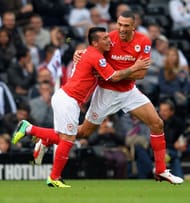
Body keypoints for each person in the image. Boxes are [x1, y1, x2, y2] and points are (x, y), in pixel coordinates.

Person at [12, 27, 150, 188]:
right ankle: (50, 170)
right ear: (95, 42)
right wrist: (135, 66)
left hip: (67, 98)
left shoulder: (89, 53)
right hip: (68, 100)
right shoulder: (95, 56)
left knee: (65, 137)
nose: (109, 40)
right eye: (105, 38)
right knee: (68, 139)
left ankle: (38, 136)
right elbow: (114, 77)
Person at [75, 11, 184, 184]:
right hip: (106, 93)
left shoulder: (143, 41)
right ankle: (43, 137)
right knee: (83, 132)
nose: (121, 29)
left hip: (128, 92)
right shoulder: (109, 38)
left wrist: (117, 74)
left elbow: (141, 74)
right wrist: (79, 54)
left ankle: (161, 170)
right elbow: (92, 54)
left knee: (157, 124)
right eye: (119, 24)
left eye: (126, 25)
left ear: (134, 26)